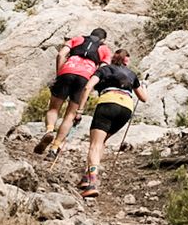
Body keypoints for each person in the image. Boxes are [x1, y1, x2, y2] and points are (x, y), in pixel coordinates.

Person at [74, 50, 147, 198]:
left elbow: (87, 87)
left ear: (113, 59)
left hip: (108, 104)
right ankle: (87, 177)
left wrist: (79, 111)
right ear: (126, 61)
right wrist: (144, 86)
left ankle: (92, 183)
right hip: (126, 109)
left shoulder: (104, 70)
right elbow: (144, 98)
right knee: (101, 142)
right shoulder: (132, 74)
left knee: (95, 144)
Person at [34, 27, 112, 157]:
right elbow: (103, 69)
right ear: (103, 39)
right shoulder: (104, 49)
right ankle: (54, 148)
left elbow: (61, 54)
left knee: (53, 108)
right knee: (70, 115)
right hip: (85, 77)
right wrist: (92, 85)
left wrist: (59, 73)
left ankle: (49, 130)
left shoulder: (78, 39)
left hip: (67, 71)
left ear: (90, 34)